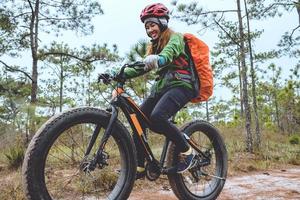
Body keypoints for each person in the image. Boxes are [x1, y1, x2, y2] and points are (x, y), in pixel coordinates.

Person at [121, 3, 196, 178]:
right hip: (162, 88)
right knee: (137, 119)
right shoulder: (153, 46)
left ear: (162, 22)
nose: (149, 30)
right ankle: (139, 166)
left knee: (157, 117)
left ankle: (187, 151)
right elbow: (142, 67)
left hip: (181, 86)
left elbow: (168, 54)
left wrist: (160, 59)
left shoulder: (176, 38)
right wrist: (119, 74)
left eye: (152, 25)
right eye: (147, 27)